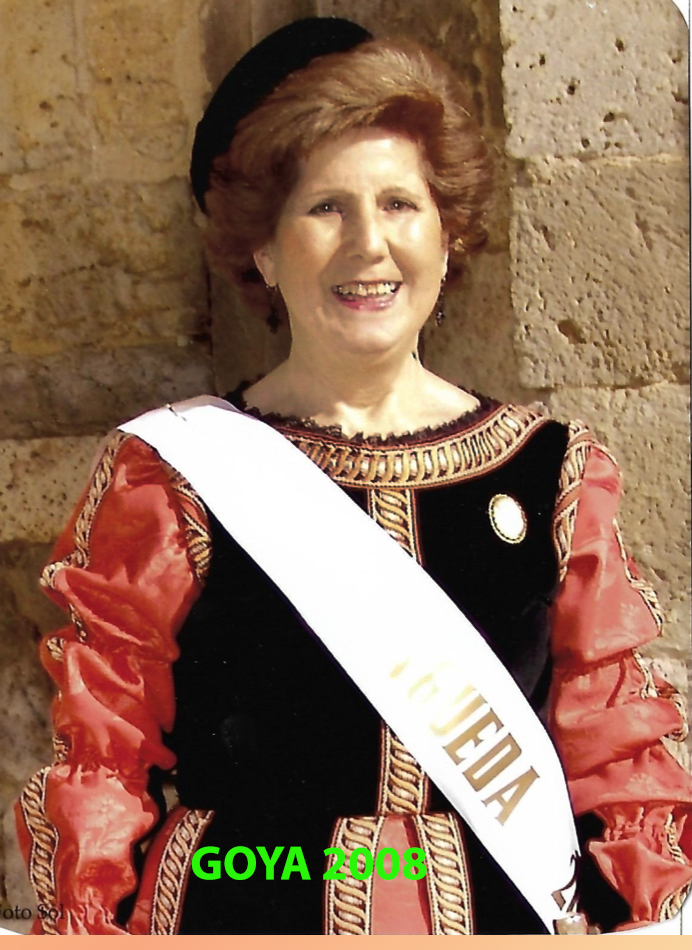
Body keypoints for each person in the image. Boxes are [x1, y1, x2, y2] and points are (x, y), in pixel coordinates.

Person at [14, 17, 691, 936]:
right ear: (264, 249)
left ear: (449, 235)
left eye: (401, 204)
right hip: (245, 912)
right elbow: (107, 757)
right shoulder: (173, 479)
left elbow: (616, 751)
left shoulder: (550, 474)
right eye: (326, 208)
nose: (369, 244)